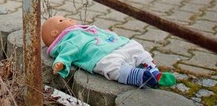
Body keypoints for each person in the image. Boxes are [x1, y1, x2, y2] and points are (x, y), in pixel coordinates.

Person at [41, 15, 176, 88]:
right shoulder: (69, 41)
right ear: (54, 32)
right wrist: (60, 64)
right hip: (103, 56)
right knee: (112, 68)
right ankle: (141, 77)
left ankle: (154, 70)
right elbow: (65, 55)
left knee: (137, 48)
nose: (68, 18)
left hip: (119, 45)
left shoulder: (82, 29)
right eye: (62, 20)